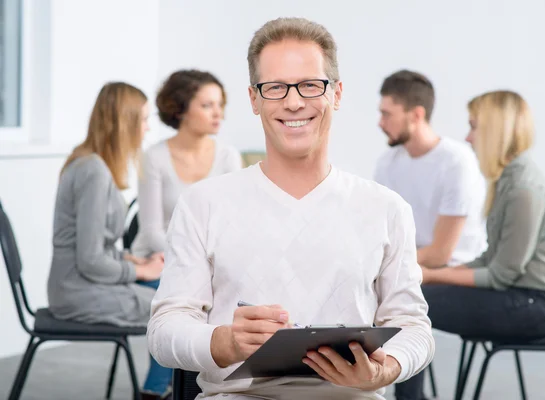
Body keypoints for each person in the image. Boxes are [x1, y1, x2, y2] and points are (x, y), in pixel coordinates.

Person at [147, 17, 434, 400]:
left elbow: (413, 326)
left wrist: (387, 367)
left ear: (336, 94)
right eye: (276, 87)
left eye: (310, 85)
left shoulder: (386, 208)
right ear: (254, 99)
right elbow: (164, 331)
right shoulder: (203, 204)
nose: (294, 101)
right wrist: (224, 342)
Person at [395, 90, 545, 399]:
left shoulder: (524, 190)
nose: (468, 137)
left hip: (540, 306)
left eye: (474, 126)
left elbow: (500, 274)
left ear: (495, 132)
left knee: (415, 303)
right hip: (523, 296)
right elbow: (491, 258)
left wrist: (428, 273)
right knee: (415, 295)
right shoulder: (509, 180)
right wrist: (427, 272)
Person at [47, 82, 173, 400]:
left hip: (75, 285)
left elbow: (94, 247)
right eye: (143, 120)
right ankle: (159, 392)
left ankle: (158, 388)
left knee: (168, 292)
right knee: (174, 308)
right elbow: (90, 261)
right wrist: (140, 272)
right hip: (78, 292)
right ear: (124, 123)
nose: (146, 130)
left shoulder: (87, 161)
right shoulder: (93, 171)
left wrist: (132, 261)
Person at [375, 70, 486, 268]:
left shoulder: (456, 162)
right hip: (407, 270)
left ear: (417, 115)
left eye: (387, 114)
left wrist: (384, 265)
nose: (380, 123)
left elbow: (440, 254)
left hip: (452, 274)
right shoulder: (387, 163)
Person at [131, 70, 242, 264]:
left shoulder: (228, 157)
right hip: (158, 261)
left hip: (210, 262)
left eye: (220, 105)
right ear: (180, 109)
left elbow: (233, 224)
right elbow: (152, 233)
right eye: (207, 105)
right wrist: (197, 261)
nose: (218, 113)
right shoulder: (153, 158)